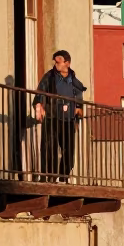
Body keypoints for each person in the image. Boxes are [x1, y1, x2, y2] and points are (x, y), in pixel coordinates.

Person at [35, 50, 87, 180]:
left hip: (68, 119)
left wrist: (79, 110)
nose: (56, 64)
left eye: (59, 62)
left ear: (67, 63)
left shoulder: (73, 80)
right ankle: (48, 178)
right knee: (49, 149)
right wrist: (38, 105)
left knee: (68, 151)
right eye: (55, 62)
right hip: (52, 117)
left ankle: (64, 177)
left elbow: (79, 95)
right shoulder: (49, 76)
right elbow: (40, 91)